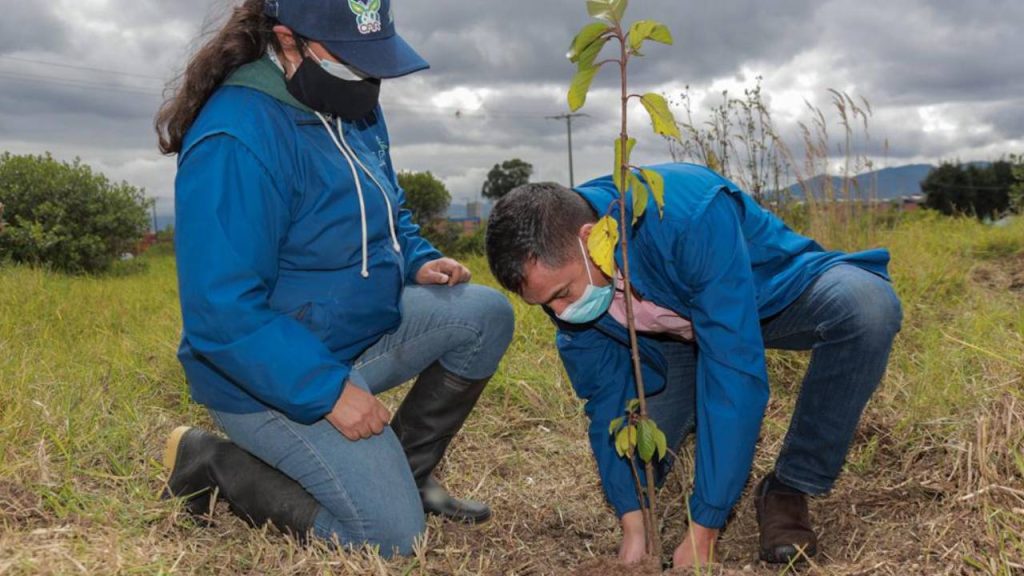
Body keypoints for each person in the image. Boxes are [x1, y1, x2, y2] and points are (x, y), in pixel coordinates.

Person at [154, 0, 514, 557]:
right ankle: (212, 462)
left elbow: (388, 206)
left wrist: (416, 257)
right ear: (286, 40)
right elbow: (220, 312)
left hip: (352, 336)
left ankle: (407, 476)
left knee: (482, 315)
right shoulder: (236, 137)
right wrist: (326, 391)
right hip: (265, 376)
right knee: (391, 540)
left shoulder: (346, 97)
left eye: (373, 59)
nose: (366, 76)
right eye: (350, 58)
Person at [485, 163, 902, 567]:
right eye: (547, 304)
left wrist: (704, 528)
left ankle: (789, 487)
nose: (562, 311)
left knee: (867, 310)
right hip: (669, 344)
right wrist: (634, 524)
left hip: (760, 300)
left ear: (592, 238)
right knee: (639, 460)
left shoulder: (687, 216)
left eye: (563, 292)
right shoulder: (562, 286)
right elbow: (605, 396)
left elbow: (734, 372)